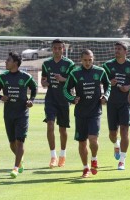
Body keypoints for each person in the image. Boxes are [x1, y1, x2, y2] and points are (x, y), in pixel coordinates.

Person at [63, 49, 111, 178]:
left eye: (90, 60)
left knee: (93, 139)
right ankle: (85, 168)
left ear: (93, 59)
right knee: (82, 142)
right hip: (80, 113)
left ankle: (94, 158)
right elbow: (66, 89)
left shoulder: (100, 71)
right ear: (81, 60)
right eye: (85, 60)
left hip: (95, 111)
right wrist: (72, 98)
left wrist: (105, 96)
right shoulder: (75, 73)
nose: (88, 63)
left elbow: (108, 85)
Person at [0, 51, 37, 178]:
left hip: (22, 114)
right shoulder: (2, 77)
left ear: (15, 63)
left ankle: (15, 168)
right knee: (12, 143)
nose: (6, 62)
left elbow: (34, 89)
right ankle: (20, 159)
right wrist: (1, 97)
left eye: (8, 60)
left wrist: (31, 100)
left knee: (20, 141)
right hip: (8, 114)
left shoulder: (25, 77)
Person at [102, 42, 130, 170]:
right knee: (113, 134)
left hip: (125, 103)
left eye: (119, 49)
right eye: (115, 49)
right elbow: (101, 82)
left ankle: (122, 161)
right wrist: (109, 83)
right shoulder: (107, 65)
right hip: (111, 103)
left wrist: (129, 87)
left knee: (124, 130)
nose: (116, 51)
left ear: (125, 51)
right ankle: (116, 144)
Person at [41, 39, 75, 168]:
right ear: (52, 49)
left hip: (64, 99)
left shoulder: (69, 64)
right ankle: (53, 156)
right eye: (54, 48)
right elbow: (43, 80)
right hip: (50, 99)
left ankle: (62, 155)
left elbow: (73, 81)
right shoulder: (46, 64)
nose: (57, 50)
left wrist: (63, 79)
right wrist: (44, 83)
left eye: (59, 48)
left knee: (62, 129)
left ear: (63, 49)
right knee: (50, 125)